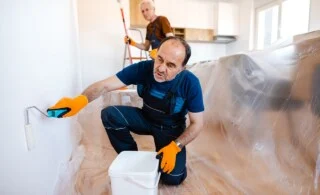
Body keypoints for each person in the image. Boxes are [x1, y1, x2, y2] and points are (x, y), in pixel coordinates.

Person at [47, 36, 204, 185]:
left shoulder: (190, 83)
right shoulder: (143, 69)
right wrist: (80, 100)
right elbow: (104, 85)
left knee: (172, 179)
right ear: (155, 54)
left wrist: (175, 146)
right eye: (160, 59)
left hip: (170, 129)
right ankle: (131, 160)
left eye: (170, 65)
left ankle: (171, 158)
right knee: (110, 114)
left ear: (183, 68)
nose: (161, 68)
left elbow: (197, 123)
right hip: (146, 118)